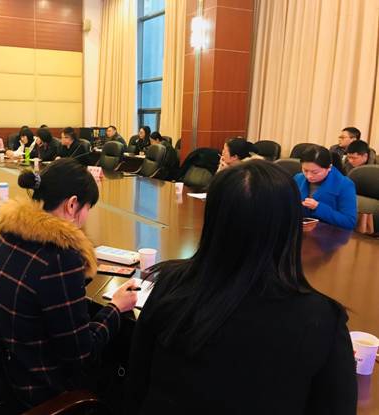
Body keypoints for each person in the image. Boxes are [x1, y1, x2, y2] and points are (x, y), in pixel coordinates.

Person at [126, 160, 357, 414]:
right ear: (290, 226)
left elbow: (137, 381)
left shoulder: (170, 282)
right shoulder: (320, 318)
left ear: (212, 220)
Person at [0, 158, 137, 410]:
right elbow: (82, 354)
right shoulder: (60, 257)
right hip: (35, 389)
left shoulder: (9, 231)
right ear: (72, 204)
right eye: (87, 208)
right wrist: (115, 307)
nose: (86, 217)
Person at [294, 145, 357, 230]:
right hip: (302, 229)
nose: (309, 176)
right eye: (305, 170)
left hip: (330, 233)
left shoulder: (344, 185)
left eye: (315, 172)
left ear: (329, 168)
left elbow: (349, 222)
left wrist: (318, 207)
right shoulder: (298, 178)